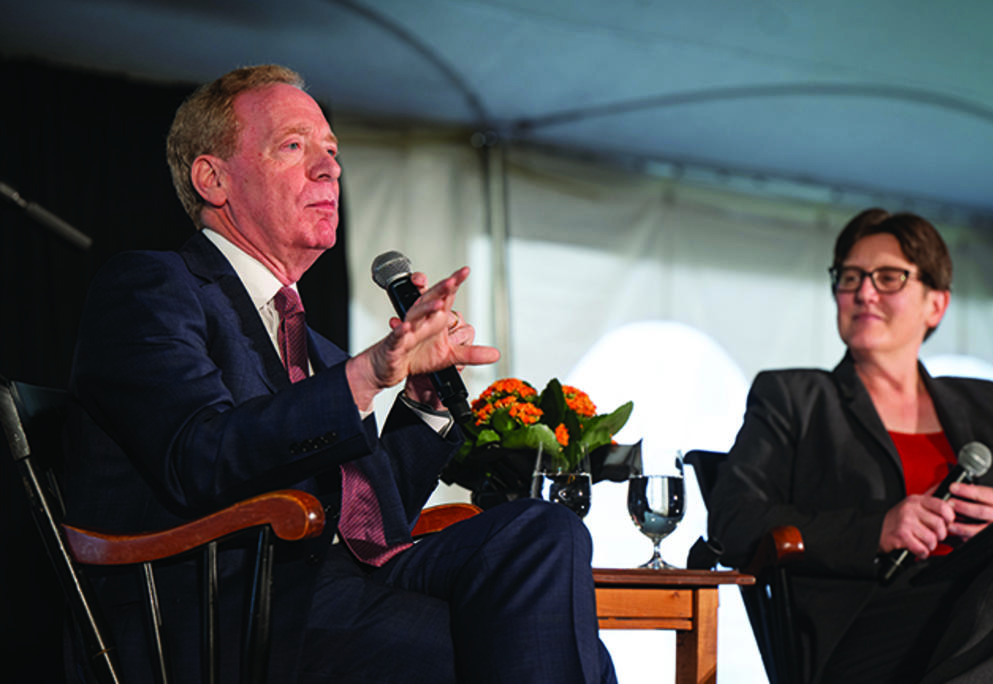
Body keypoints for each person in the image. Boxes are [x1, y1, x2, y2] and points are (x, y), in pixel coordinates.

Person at [64, 64, 617, 684]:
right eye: (294, 146)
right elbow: (200, 455)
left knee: (543, 532)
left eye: (331, 151)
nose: (329, 169)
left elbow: (371, 523)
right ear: (213, 178)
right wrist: (362, 378)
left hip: (342, 582)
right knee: (544, 655)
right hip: (234, 610)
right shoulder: (152, 287)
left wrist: (422, 401)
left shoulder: (315, 347)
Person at [709, 208, 993, 684]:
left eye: (889, 278)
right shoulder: (794, 398)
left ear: (935, 305)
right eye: (850, 277)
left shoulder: (990, 405)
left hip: (990, 617)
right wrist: (876, 530)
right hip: (865, 632)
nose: (864, 292)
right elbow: (732, 520)